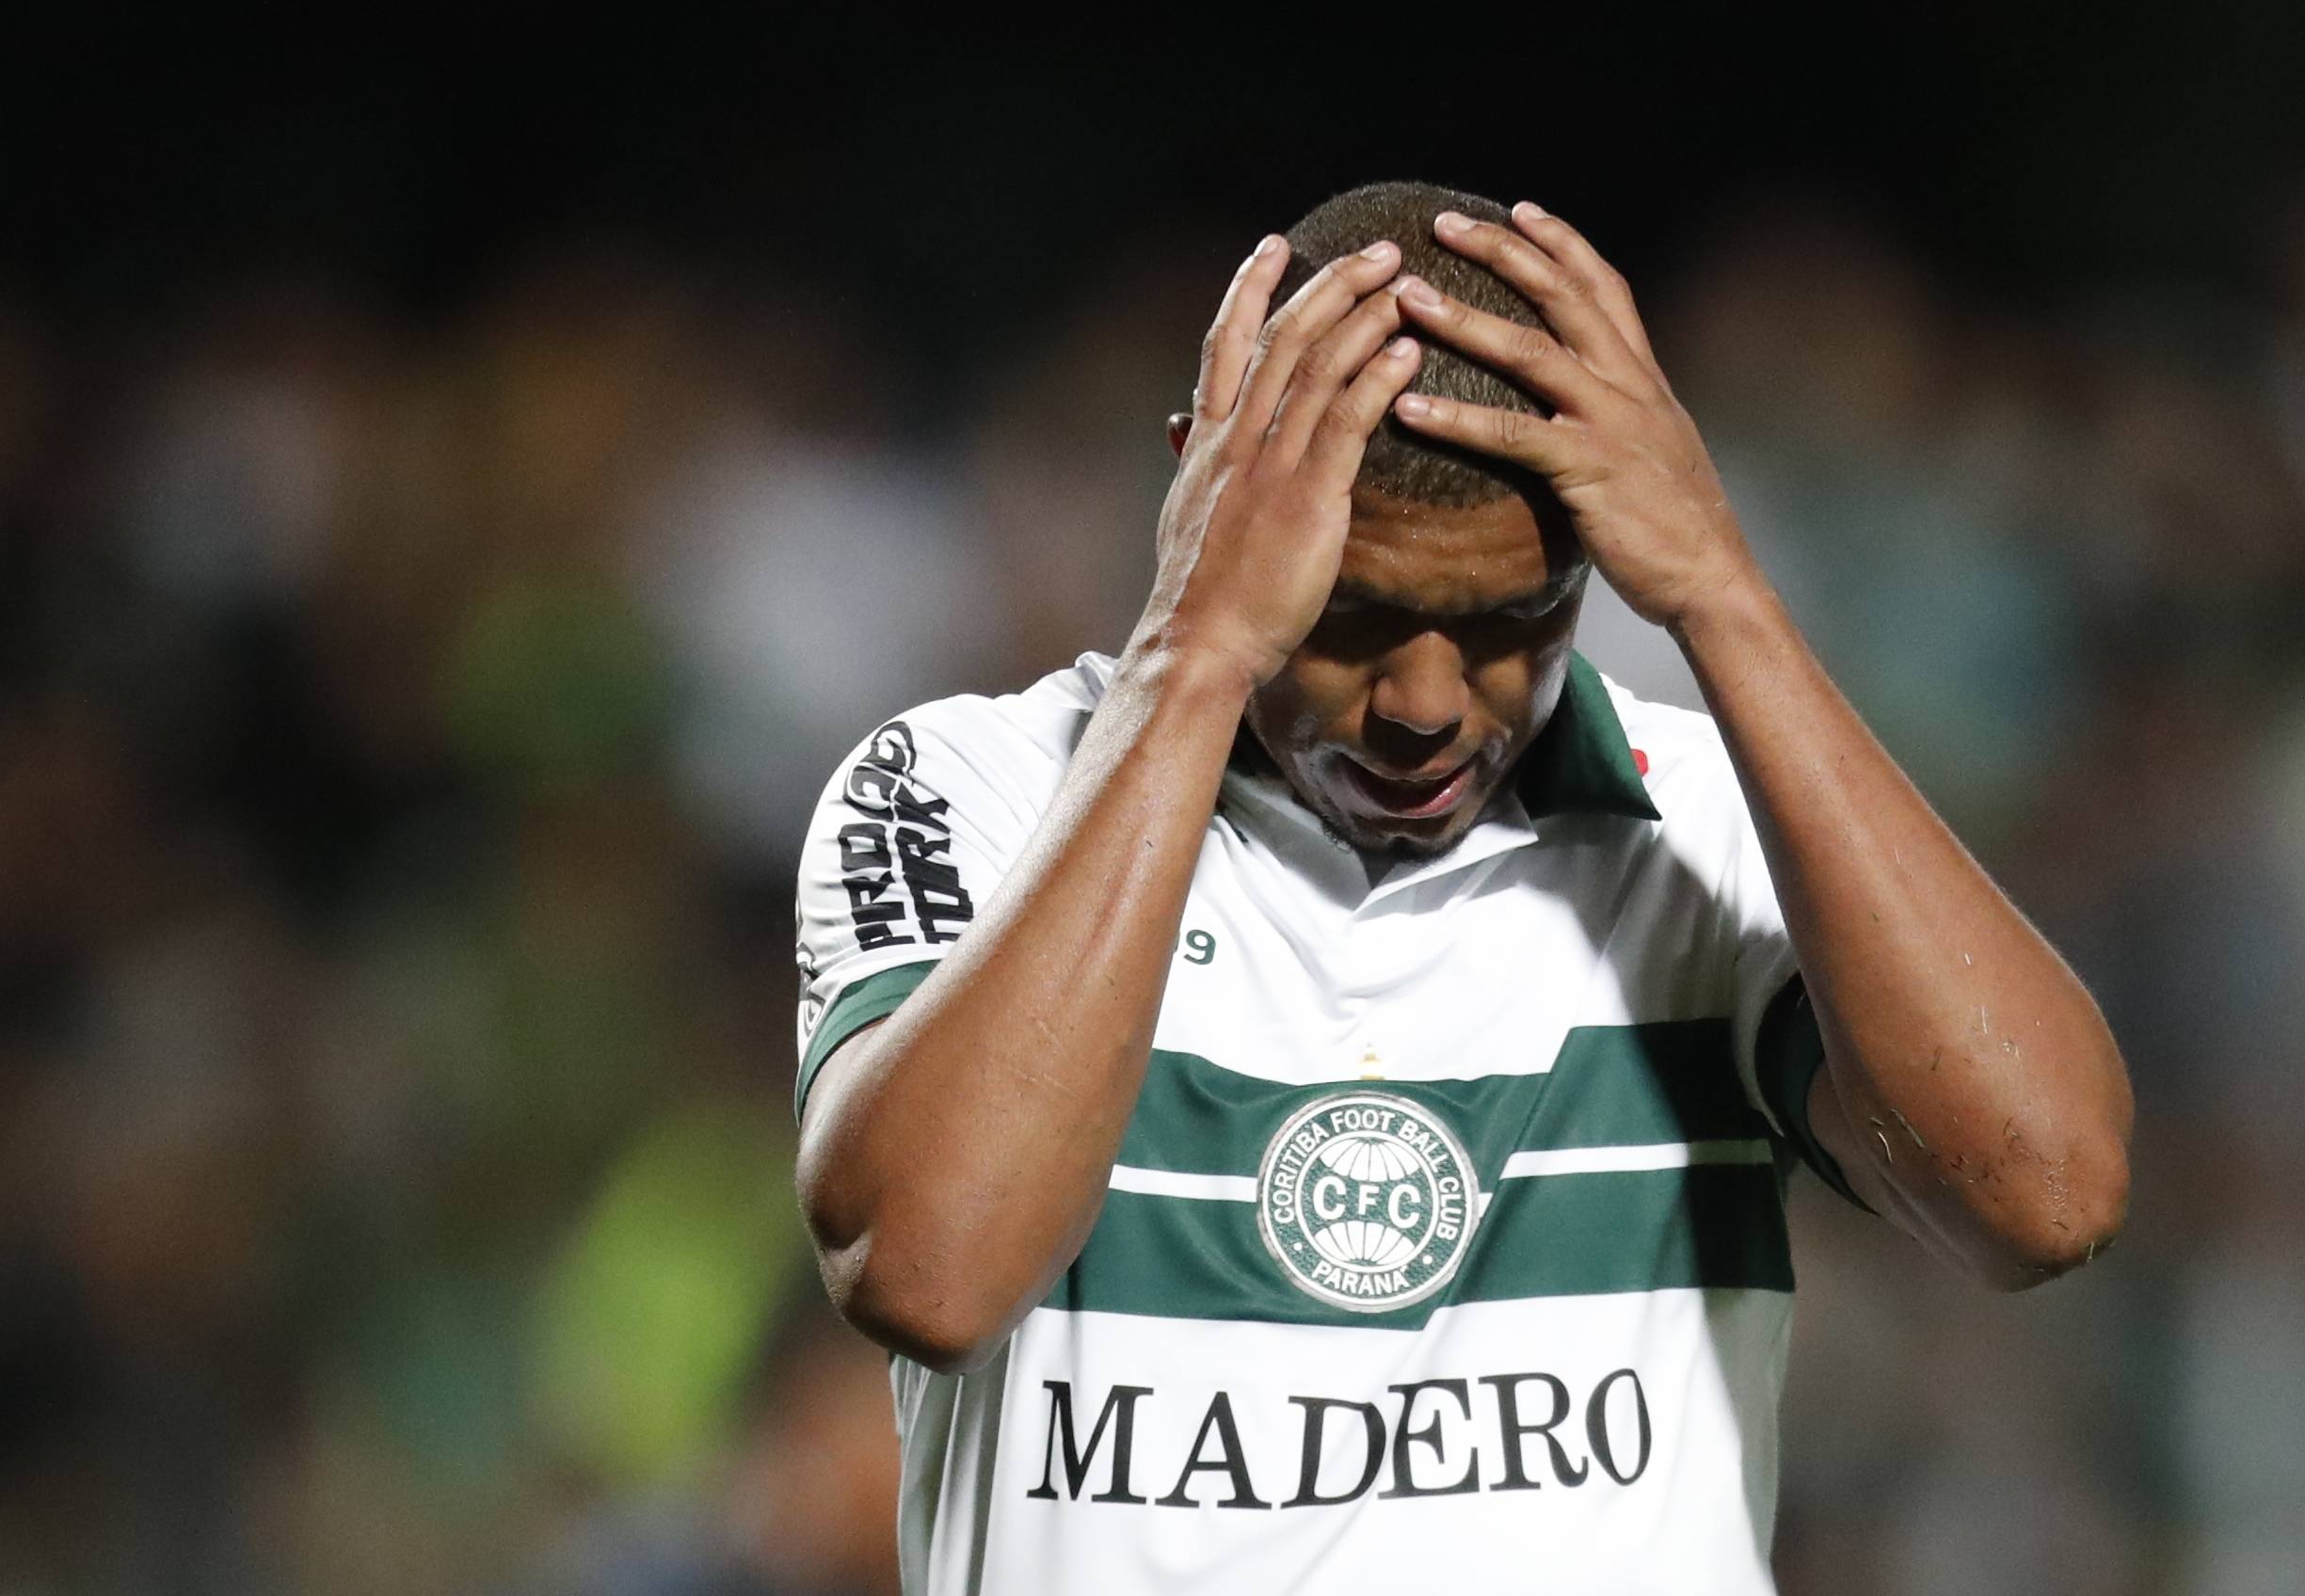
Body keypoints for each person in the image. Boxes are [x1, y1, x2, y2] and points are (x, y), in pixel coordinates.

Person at [789, 180, 2132, 1594]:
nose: (1427, 705)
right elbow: (926, 1274)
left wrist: (1724, 598)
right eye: (1350, 611)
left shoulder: (1713, 825)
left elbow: (2045, 1198)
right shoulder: (963, 788)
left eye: (1513, 620)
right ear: (1207, 492)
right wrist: (1195, 653)